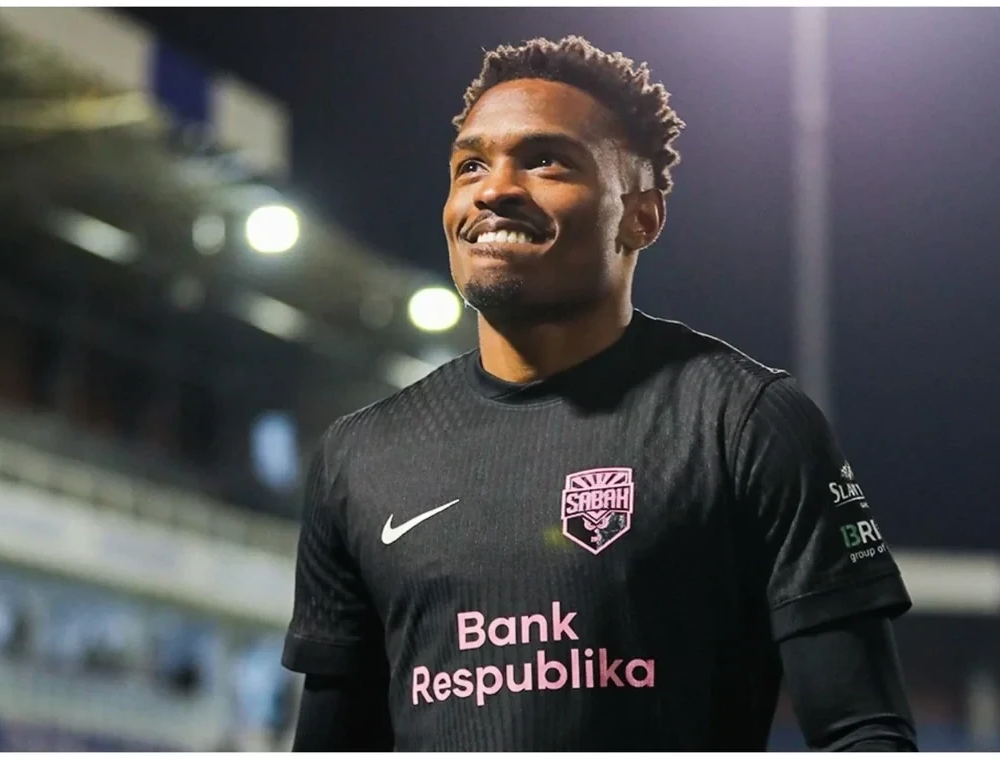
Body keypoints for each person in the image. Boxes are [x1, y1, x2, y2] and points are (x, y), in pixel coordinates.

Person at [283, 35, 918, 751]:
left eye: (545, 161)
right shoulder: (358, 457)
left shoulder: (745, 422)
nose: (493, 189)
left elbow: (863, 731)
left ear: (641, 215)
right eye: (471, 165)